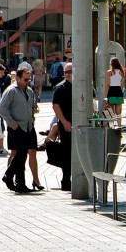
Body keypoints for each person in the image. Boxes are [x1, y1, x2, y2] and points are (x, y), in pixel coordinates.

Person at [0, 66, 37, 194]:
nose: (28, 82)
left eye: (29, 79)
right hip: (17, 127)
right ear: (18, 78)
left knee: (22, 155)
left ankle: (20, 184)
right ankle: (8, 175)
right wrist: (12, 123)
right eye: (25, 79)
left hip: (28, 127)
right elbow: (2, 109)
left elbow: (32, 106)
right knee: (20, 154)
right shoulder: (11, 91)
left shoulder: (29, 91)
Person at [51, 62, 73, 191]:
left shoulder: (82, 85)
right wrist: (64, 122)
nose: (67, 74)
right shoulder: (60, 88)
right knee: (67, 153)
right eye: (65, 72)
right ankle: (66, 181)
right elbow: (55, 106)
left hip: (80, 125)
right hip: (67, 125)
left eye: (70, 72)